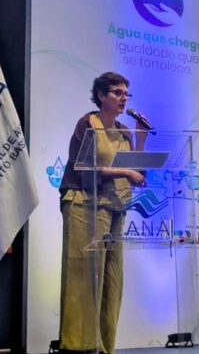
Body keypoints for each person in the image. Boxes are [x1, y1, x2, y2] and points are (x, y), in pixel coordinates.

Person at [58, 72, 147, 354]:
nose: (123, 98)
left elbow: (138, 174)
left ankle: (104, 347)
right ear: (101, 96)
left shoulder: (126, 131)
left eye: (126, 94)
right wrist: (123, 171)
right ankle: (78, 347)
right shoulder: (88, 124)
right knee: (84, 276)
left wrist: (141, 139)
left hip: (116, 208)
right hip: (85, 205)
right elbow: (83, 169)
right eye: (117, 93)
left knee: (112, 280)